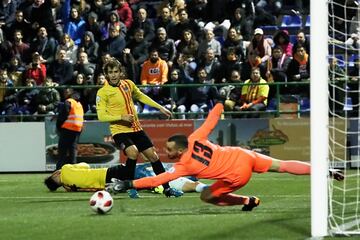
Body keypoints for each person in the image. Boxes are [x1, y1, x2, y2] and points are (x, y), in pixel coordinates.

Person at [106, 103, 344, 210]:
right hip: (243, 155)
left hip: (236, 177)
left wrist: (128, 183)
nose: (166, 153)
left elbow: (157, 181)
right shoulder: (196, 137)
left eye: (169, 150)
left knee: (208, 196)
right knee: (283, 165)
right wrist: (220, 103)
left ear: (179, 151)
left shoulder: (183, 165)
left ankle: (246, 200)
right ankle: (325, 170)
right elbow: (214, 116)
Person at [96, 58, 183, 198]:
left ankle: (167, 189)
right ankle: (130, 188)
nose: (113, 75)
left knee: (153, 156)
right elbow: (101, 116)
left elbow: (141, 96)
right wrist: (121, 117)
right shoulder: (102, 92)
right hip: (119, 130)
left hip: (136, 128)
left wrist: (160, 107)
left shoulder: (128, 85)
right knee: (133, 152)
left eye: (116, 72)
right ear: (106, 74)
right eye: (110, 72)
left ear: (120, 72)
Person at [44, 162, 206, 193]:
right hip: (109, 173)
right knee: (148, 171)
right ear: (55, 174)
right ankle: (193, 178)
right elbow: (85, 165)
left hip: (110, 185)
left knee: (147, 174)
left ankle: (193, 180)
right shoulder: (65, 169)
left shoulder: (68, 188)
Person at [56, 88, 84, 170]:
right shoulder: (79, 105)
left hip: (67, 129)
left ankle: (58, 173)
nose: (65, 93)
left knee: (62, 153)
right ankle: (73, 173)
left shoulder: (69, 102)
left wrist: (59, 127)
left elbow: (62, 116)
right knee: (73, 152)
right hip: (77, 130)